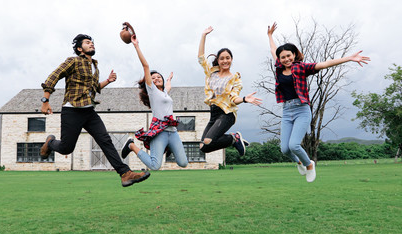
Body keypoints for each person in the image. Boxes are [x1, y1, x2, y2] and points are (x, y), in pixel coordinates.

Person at [39, 34, 150, 187]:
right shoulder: (73, 61)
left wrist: (108, 81)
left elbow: (93, 88)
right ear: (79, 48)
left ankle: (125, 173)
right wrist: (45, 100)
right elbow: (54, 76)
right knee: (66, 148)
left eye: (92, 42)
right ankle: (50, 143)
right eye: (87, 42)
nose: (91, 44)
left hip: (89, 111)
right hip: (72, 110)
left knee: (105, 140)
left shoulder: (94, 66)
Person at [267, 22, 370, 182]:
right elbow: (274, 51)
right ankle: (299, 162)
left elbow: (325, 64)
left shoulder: (301, 68)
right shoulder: (279, 68)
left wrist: (349, 58)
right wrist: (270, 36)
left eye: (289, 55)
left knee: (294, 145)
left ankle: (309, 165)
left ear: (294, 55)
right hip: (287, 111)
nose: (286, 59)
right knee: (285, 149)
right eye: (283, 57)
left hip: (302, 110)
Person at [121, 34, 188, 170]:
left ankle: (167, 146)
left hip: (173, 131)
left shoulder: (164, 94)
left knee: (183, 162)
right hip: (160, 132)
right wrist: (136, 46)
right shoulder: (152, 91)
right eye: (153, 78)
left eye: (159, 77)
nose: (157, 78)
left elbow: (167, 88)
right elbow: (146, 66)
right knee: (155, 165)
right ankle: (131, 145)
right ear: (149, 82)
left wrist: (169, 79)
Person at [198, 26, 262, 156]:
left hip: (227, 113)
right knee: (203, 147)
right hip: (214, 113)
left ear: (231, 60)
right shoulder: (212, 73)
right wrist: (203, 35)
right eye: (222, 58)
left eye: (228, 58)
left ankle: (234, 138)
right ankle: (234, 140)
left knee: (208, 140)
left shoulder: (235, 79)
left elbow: (233, 98)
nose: (225, 61)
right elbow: (200, 58)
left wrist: (244, 99)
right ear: (218, 60)